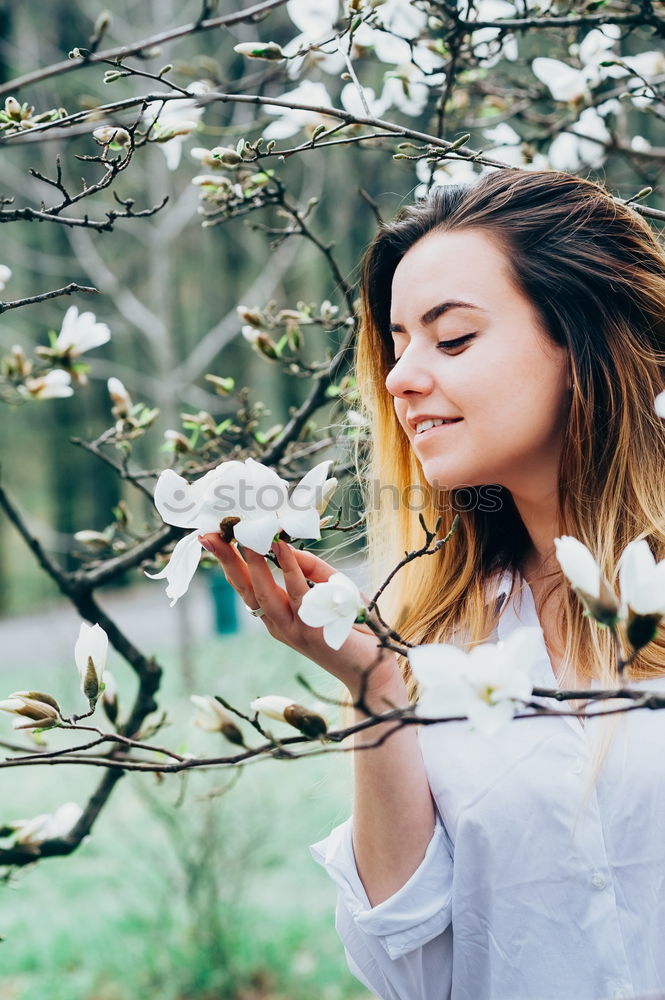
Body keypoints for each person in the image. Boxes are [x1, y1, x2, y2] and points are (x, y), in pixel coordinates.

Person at [199, 169, 665, 1000]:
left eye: (450, 340)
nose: (399, 377)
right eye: (398, 342)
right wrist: (374, 685)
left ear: (580, 339)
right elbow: (408, 969)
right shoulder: (438, 647)